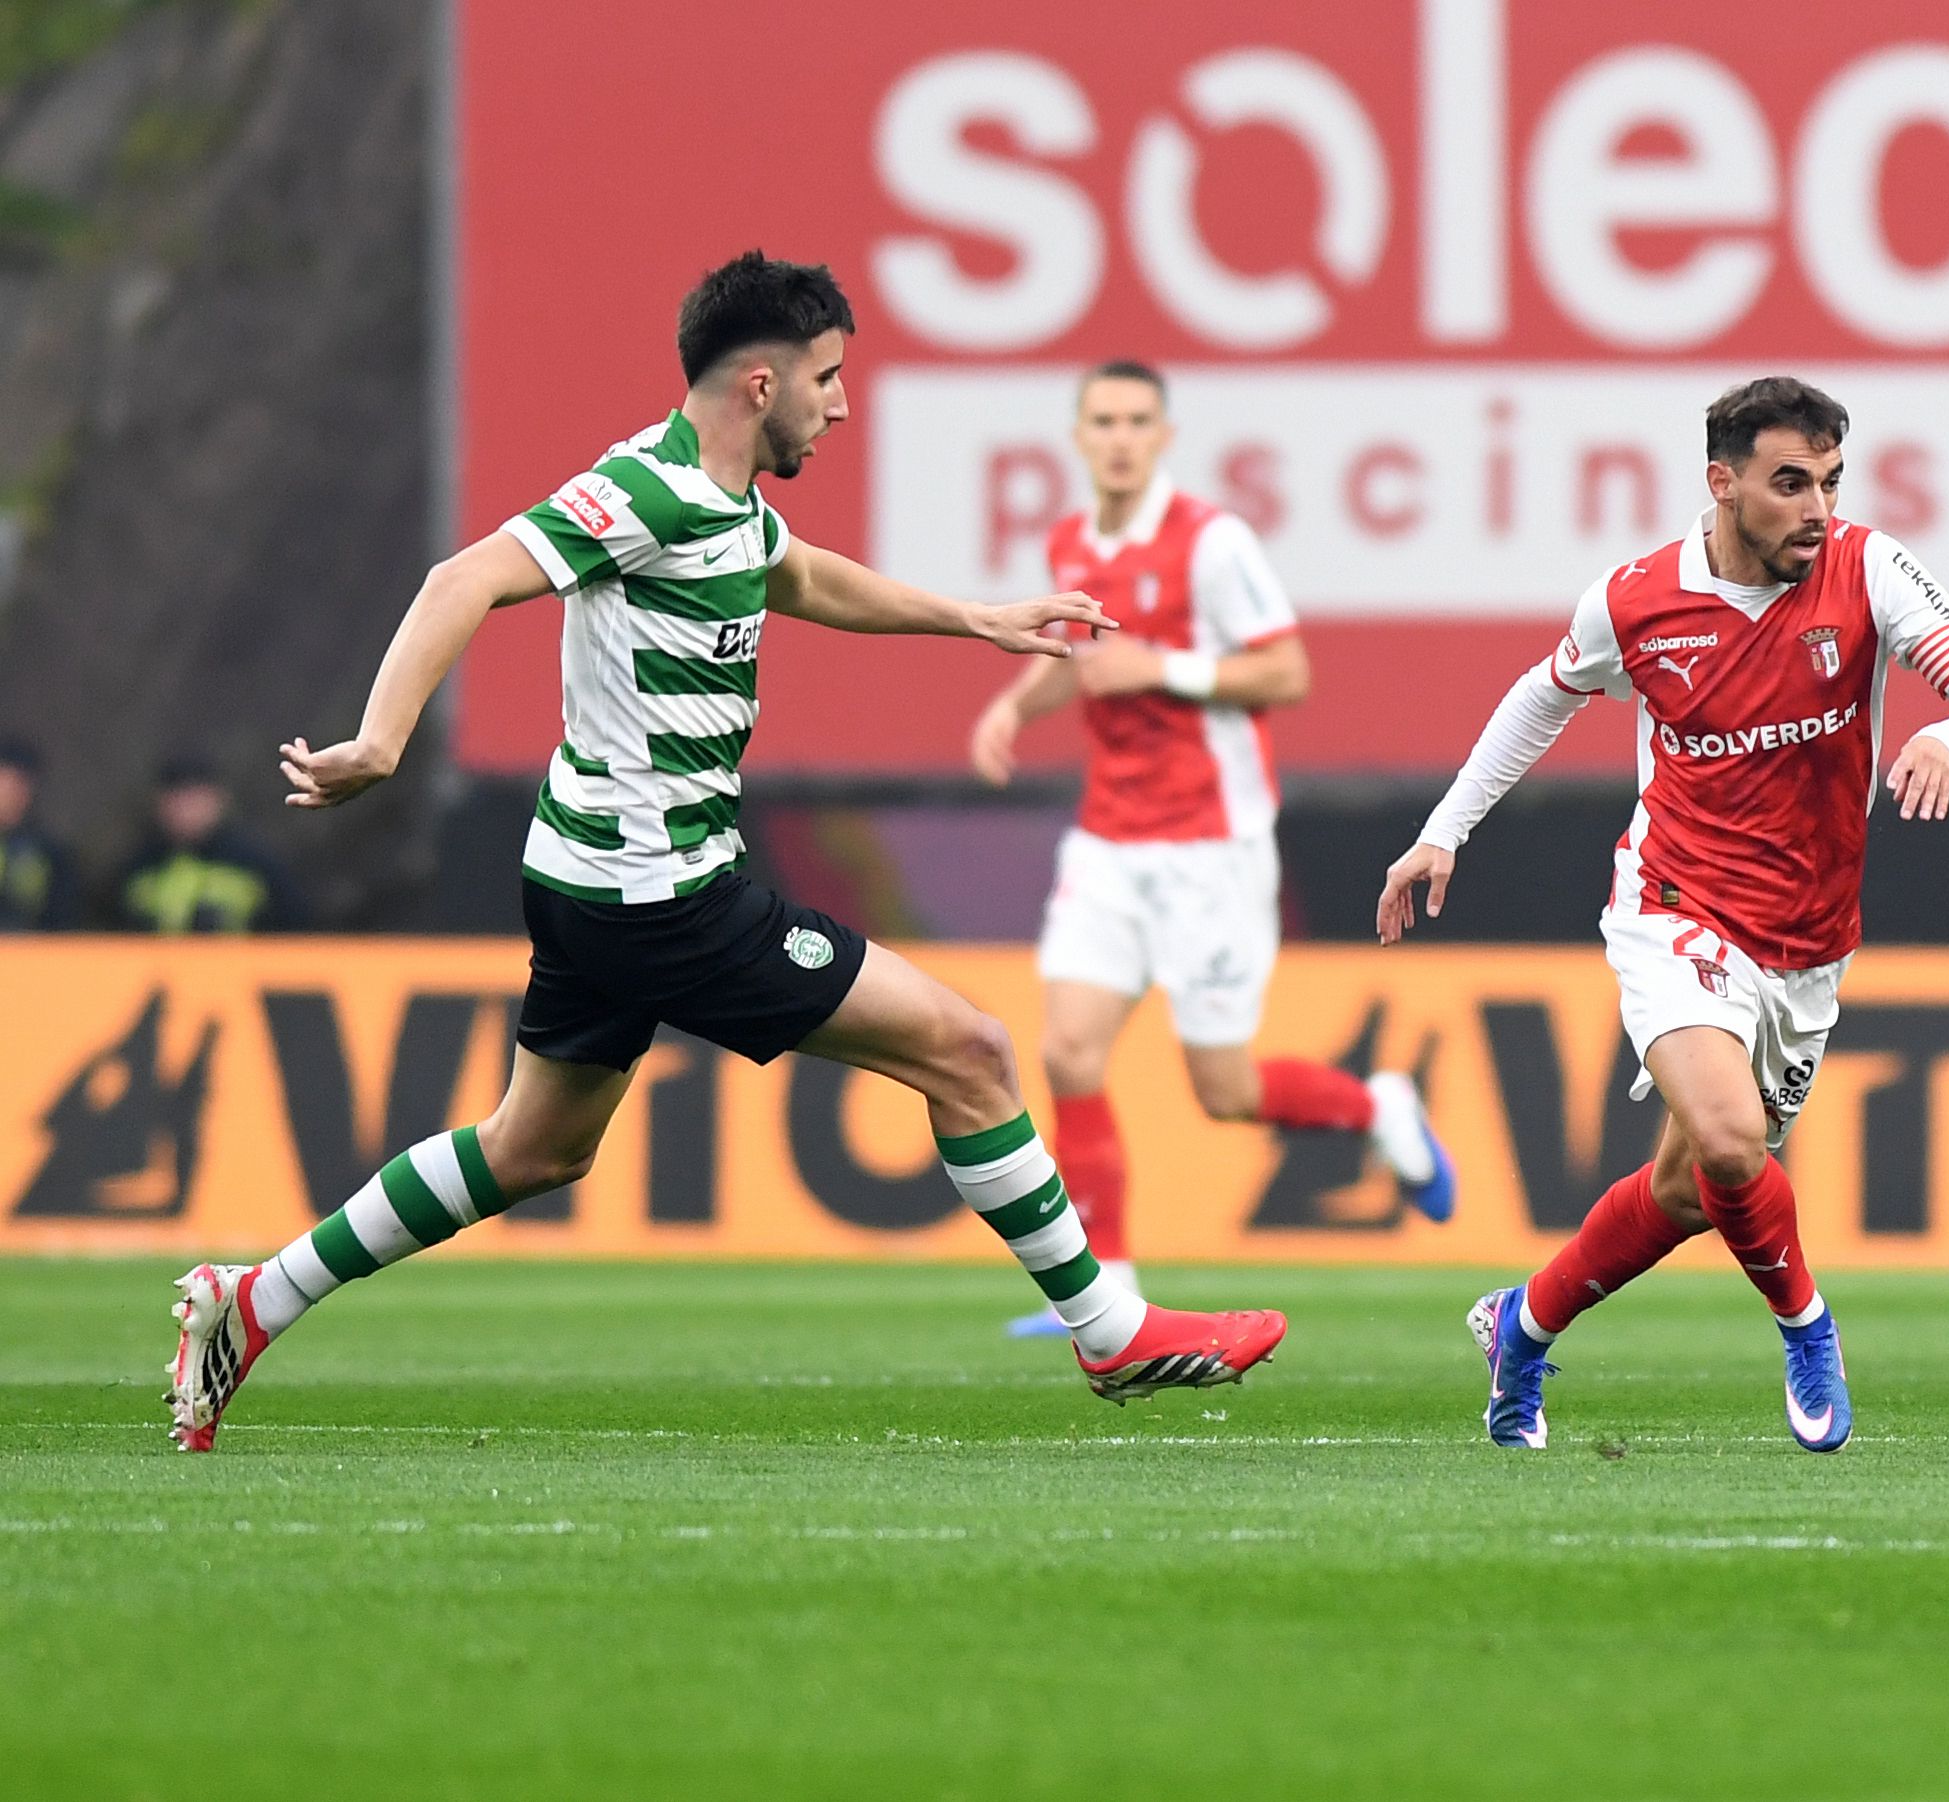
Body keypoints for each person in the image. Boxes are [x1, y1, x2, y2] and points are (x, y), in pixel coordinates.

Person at [164, 252, 1286, 1451]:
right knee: (970, 1050)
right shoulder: (645, 491)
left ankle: (254, 1298)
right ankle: (1111, 1328)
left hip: (591, 878)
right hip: (662, 895)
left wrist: (974, 617)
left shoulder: (727, 502)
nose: (840, 403)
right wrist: (381, 742)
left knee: (531, 1146)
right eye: (828, 377)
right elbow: (465, 575)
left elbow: (797, 574)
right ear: (761, 383)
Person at [1376, 377, 1949, 1452]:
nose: (1815, 508)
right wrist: (1445, 828)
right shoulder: (1636, 601)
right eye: (1788, 483)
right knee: (1732, 1142)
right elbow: (1542, 692)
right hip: (1672, 901)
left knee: (1690, 1185)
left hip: (1809, 942)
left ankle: (1521, 1324)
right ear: (1721, 484)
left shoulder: (1867, 568)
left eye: (1828, 480)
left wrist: (1945, 738)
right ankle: (1807, 1328)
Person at [970, 360, 1451, 1338]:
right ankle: (1103, 1286)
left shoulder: (1210, 542)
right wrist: (1018, 700)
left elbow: (1286, 670)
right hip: (1108, 838)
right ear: (1076, 434)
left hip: (1210, 845)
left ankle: (1376, 1105)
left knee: (1222, 1091)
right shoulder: (1069, 539)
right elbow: (1089, 662)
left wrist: (1168, 665)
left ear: (1163, 434)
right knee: (1066, 1049)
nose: (1117, 435)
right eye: (1101, 418)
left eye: (1136, 419)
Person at [114, 755, 308, 932]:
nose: (186, 810)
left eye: (195, 799)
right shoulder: (136, 868)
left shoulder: (255, 865)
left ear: (219, 800)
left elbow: (295, 928)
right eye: (177, 800)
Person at [0, 735, 77, 930]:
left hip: (32, 955)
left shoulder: (51, 854)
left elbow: (63, 920)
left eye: (18, 784)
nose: (9, 794)